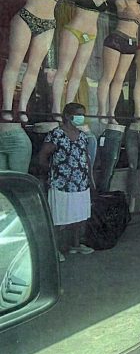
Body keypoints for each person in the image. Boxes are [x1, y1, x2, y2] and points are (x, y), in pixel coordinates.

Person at [38, 102, 94, 261]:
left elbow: (86, 159)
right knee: (58, 218)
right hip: (61, 184)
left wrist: (91, 178)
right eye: (79, 114)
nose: (82, 117)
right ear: (69, 116)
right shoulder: (56, 134)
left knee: (79, 216)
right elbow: (42, 156)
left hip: (81, 183)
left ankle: (75, 245)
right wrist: (51, 174)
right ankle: (54, 249)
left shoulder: (83, 136)